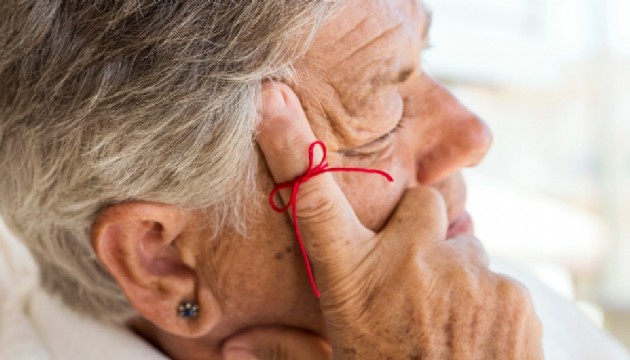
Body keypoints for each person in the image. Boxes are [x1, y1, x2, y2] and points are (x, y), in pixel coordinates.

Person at [0, 1, 627, 359]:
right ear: (163, 260)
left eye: (425, 60)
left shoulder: (472, 306)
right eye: (380, 111)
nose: (471, 135)